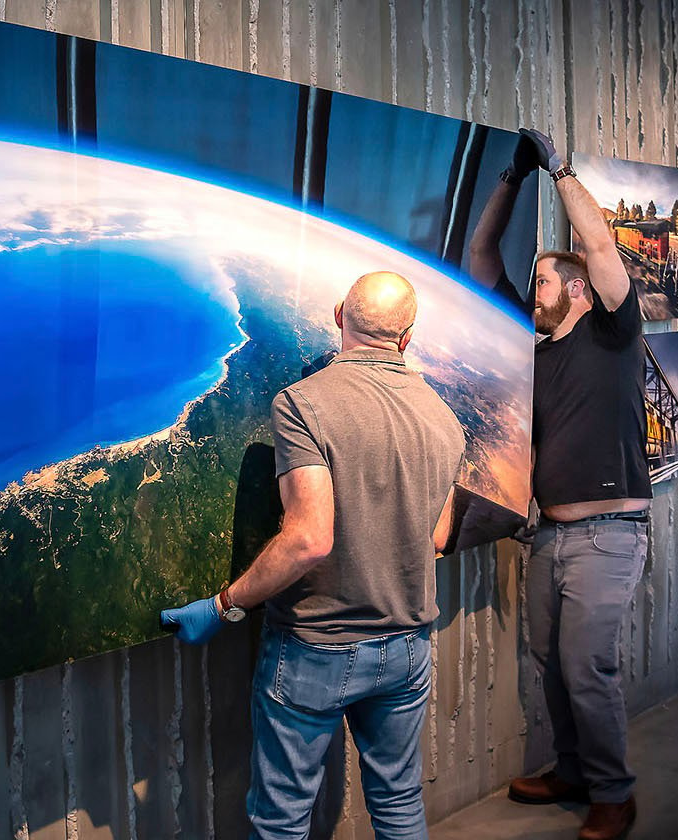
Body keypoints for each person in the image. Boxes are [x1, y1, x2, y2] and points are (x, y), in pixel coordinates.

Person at [161, 272, 465, 840]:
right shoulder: (444, 417)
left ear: (337, 316)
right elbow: (438, 537)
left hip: (317, 649)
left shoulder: (303, 404)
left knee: (282, 822)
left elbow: (309, 539)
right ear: (407, 338)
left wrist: (224, 605)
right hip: (407, 647)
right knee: (399, 805)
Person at [504, 129, 648, 840]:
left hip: (608, 536)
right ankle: (571, 769)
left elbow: (598, 245)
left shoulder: (614, 333)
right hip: (551, 533)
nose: (534, 293)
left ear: (580, 290)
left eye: (543, 281)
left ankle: (614, 795)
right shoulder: (538, 356)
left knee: (587, 664)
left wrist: (557, 169)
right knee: (550, 663)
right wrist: (506, 180)